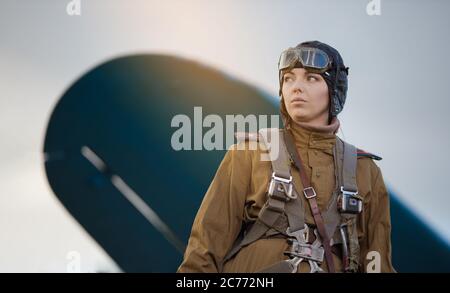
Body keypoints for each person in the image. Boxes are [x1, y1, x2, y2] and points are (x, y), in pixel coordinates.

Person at [177, 40, 395, 273]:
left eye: (311, 78)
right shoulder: (249, 153)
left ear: (334, 90)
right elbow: (206, 243)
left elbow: (377, 261)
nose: (296, 87)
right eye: (289, 78)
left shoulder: (365, 171)